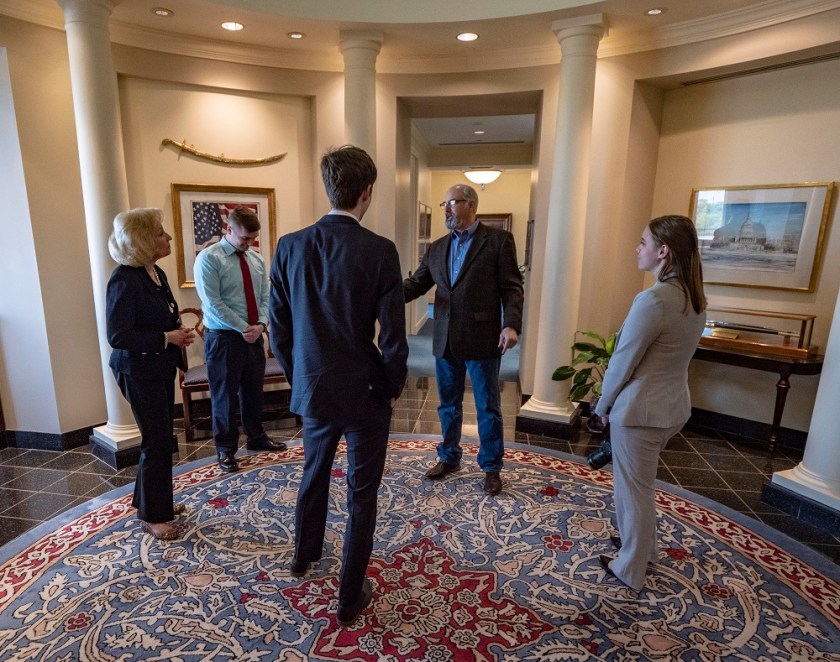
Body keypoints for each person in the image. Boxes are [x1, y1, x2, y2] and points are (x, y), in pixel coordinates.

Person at [269, 145, 408, 626]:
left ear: (329, 188)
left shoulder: (289, 245)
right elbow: (392, 336)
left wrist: (298, 378)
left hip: (313, 388)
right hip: (365, 390)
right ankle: (350, 597)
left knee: (314, 472)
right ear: (367, 192)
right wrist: (391, 386)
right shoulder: (380, 250)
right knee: (361, 493)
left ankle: (303, 555)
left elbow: (279, 329)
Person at [593, 214, 707, 592]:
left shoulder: (654, 300)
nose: (636, 248)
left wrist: (601, 407)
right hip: (671, 407)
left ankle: (630, 567)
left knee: (633, 490)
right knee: (640, 486)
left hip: (640, 412)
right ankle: (643, 549)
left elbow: (623, 362)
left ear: (663, 251)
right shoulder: (694, 298)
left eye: (643, 242)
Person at [403, 184, 523, 496]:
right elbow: (417, 284)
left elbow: (511, 288)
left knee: (487, 405)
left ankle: (491, 466)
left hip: (483, 338)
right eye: (444, 203)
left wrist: (510, 325)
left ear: (470, 205)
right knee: (448, 405)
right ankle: (449, 457)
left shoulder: (498, 241)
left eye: (452, 202)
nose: (445, 208)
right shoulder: (437, 247)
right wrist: (384, 292)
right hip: (444, 338)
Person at [106, 208, 196, 540]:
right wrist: (165, 338)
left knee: (158, 439)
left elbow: (162, 316)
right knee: (157, 441)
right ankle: (154, 516)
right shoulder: (124, 278)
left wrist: (178, 332)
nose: (168, 238)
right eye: (160, 233)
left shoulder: (154, 272)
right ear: (144, 240)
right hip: (137, 370)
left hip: (157, 367)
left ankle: (149, 502)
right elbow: (117, 335)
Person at [194, 205, 286, 474]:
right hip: (223, 338)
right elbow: (213, 303)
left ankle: (257, 438)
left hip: (254, 335)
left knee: (253, 391)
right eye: (244, 238)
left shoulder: (256, 260)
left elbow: (266, 297)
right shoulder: (209, 259)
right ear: (229, 229)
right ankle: (226, 449)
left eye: (253, 239)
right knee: (224, 397)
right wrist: (244, 327)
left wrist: (261, 325)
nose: (249, 244)